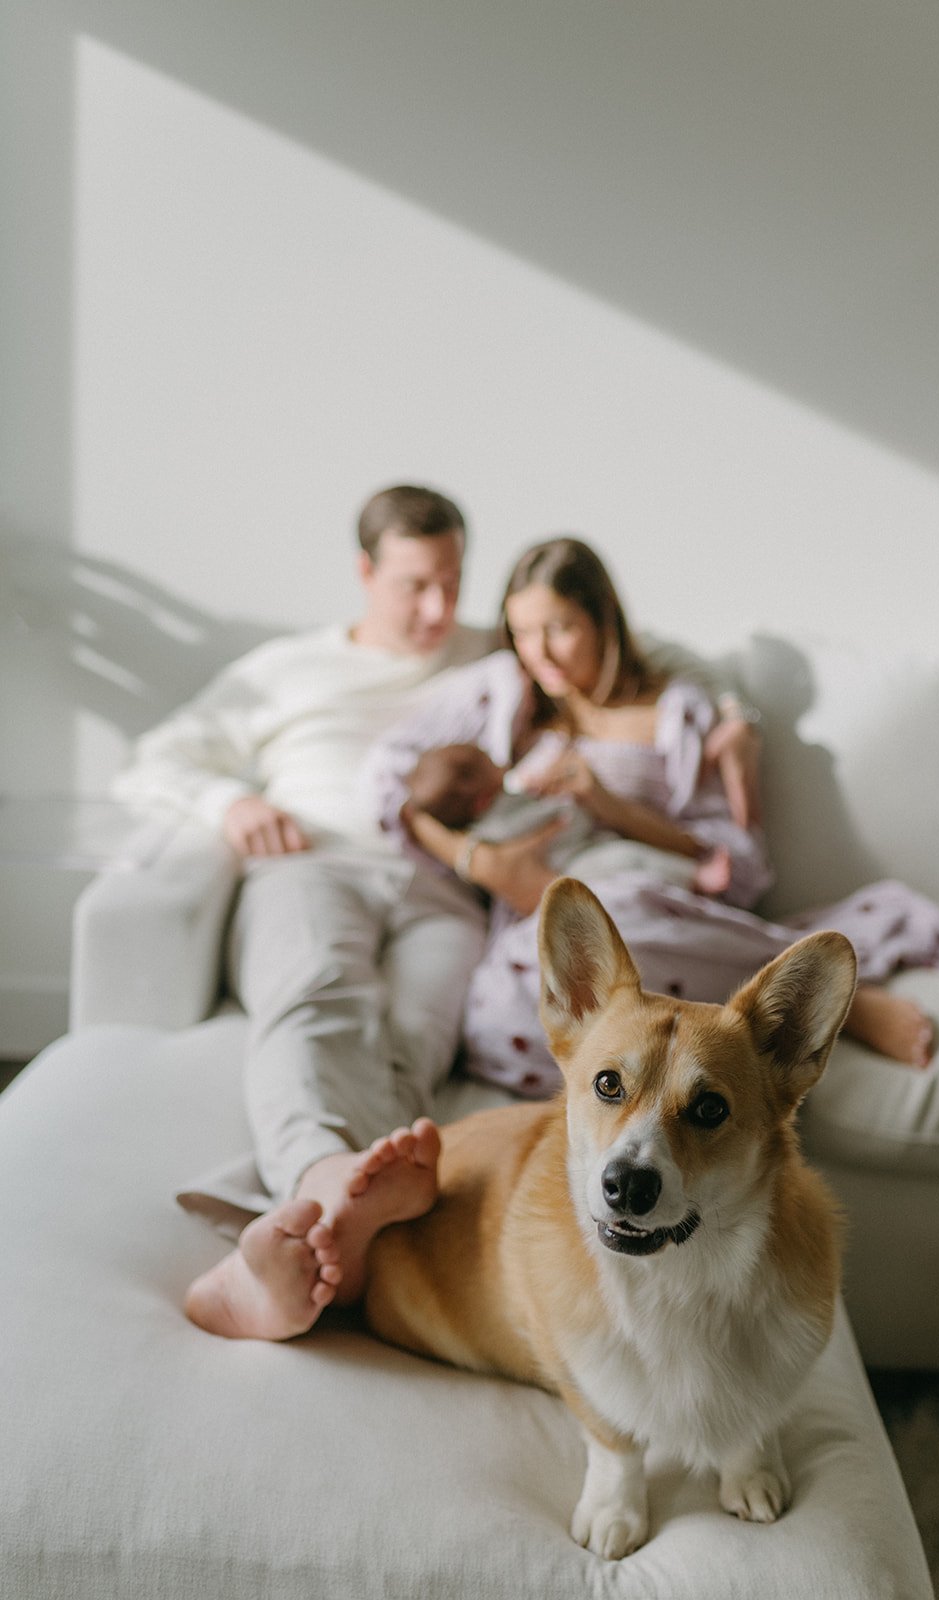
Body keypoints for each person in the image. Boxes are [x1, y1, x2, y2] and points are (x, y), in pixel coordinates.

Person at [116, 494, 762, 1339]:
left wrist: (735, 712)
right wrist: (230, 802)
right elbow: (155, 758)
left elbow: (644, 653)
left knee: (422, 1028)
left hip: (442, 895)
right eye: (415, 585)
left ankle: (346, 1218)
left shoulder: (500, 651)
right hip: (320, 860)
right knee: (320, 992)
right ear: (365, 573)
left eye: (452, 584)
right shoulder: (286, 668)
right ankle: (321, 1188)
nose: (436, 609)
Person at [372, 537, 939, 1099]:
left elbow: (737, 867)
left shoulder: (679, 713)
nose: (541, 653)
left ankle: (831, 1006)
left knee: (615, 910)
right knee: (500, 1020)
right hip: (551, 938)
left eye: (560, 628)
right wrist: (478, 861)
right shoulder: (507, 706)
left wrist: (610, 807)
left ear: (603, 621)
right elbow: (395, 787)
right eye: (523, 633)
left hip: (663, 914)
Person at [401, 739, 771, 900]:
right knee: (628, 859)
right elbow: (520, 828)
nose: (502, 764)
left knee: (628, 854)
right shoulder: (492, 828)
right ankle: (696, 879)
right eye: (490, 764)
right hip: (574, 865)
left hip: (586, 845)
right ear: (482, 799)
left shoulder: (502, 799)